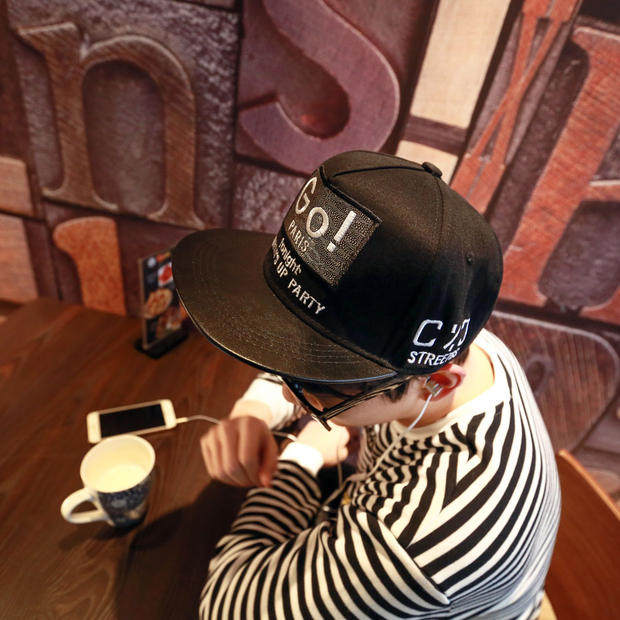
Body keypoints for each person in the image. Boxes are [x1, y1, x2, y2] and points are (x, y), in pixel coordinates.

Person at [172, 151, 560, 619]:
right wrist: (256, 409)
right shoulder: (464, 343)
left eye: (320, 381)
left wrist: (300, 460)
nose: (287, 391)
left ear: (436, 383)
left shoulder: (413, 543)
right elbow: (316, 335)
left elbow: (227, 605)